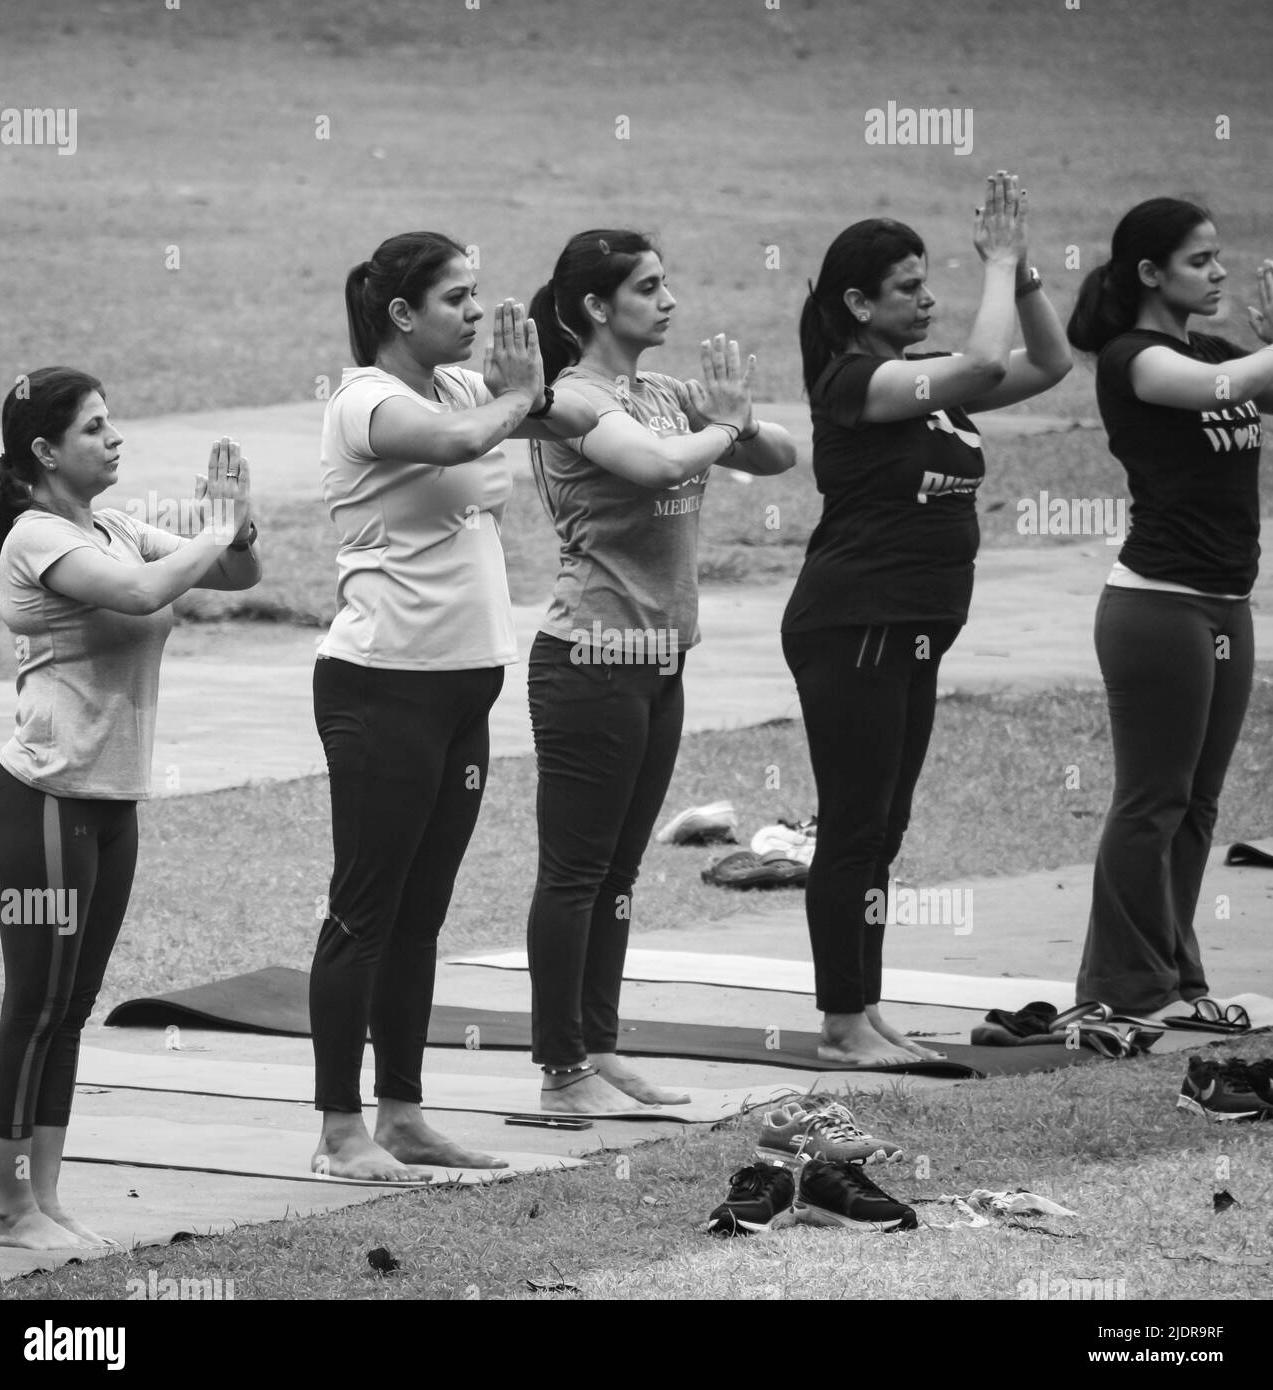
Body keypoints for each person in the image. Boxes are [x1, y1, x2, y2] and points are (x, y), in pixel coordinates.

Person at [310, 232, 598, 1180]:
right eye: (456, 299)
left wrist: (562, 343)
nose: (475, 313)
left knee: (421, 916)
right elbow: (463, 442)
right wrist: (518, 397)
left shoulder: (469, 388)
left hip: (462, 692)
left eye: (479, 297)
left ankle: (402, 1113)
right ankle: (338, 1130)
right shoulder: (366, 403)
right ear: (401, 315)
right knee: (365, 909)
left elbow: (549, 417)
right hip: (379, 686)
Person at [783, 173, 1072, 1067]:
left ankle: (862, 1010)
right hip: (855, 621)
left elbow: (1050, 365)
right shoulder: (857, 381)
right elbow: (987, 363)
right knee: (855, 825)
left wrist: (1019, 273)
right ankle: (840, 1025)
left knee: (886, 827)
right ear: (858, 303)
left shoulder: (928, 383)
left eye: (926, 281)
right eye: (907, 286)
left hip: (911, 626)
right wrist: (994, 262)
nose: (927, 297)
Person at [0, 366, 260, 1250]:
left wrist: (234, 524)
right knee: (35, 1002)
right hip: (46, 800)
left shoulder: (112, 525)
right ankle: (13, 1209)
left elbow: (239, 575)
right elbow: (141, 592)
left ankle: (47, 1200)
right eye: (95, 427)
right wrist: (209, 533)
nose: (115, 438)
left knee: (75, 1000)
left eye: (112, 422)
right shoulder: (35, 538)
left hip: (109, 798)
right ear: (45, 451)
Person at [524, 229, 797, 1114]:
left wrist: (736, 417)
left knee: (618, 873)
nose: (669, 299)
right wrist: (720, 424)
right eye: (649, 287)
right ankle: (561, 1069)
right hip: (592, 657)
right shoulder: (572, 398)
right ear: (598, 307)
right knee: (575, 873)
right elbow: (653, 464)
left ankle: (598, 1048)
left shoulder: (666, 391)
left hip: (659, 661)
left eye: (667, 282)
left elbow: (782, 454)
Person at [1066, 199, 1273, 1017]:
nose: (1218, 272)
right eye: (1199, 261)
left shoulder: (1219, 351)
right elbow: (1220, 387)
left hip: (1227, 604)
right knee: (1151, 799)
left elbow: (1247, 381)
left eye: (1218, 258)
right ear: (1150, 274)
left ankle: (1174, 977)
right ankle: (1117, 987)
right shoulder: (1135, 359)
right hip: (1157, 606)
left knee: (1197, 804)